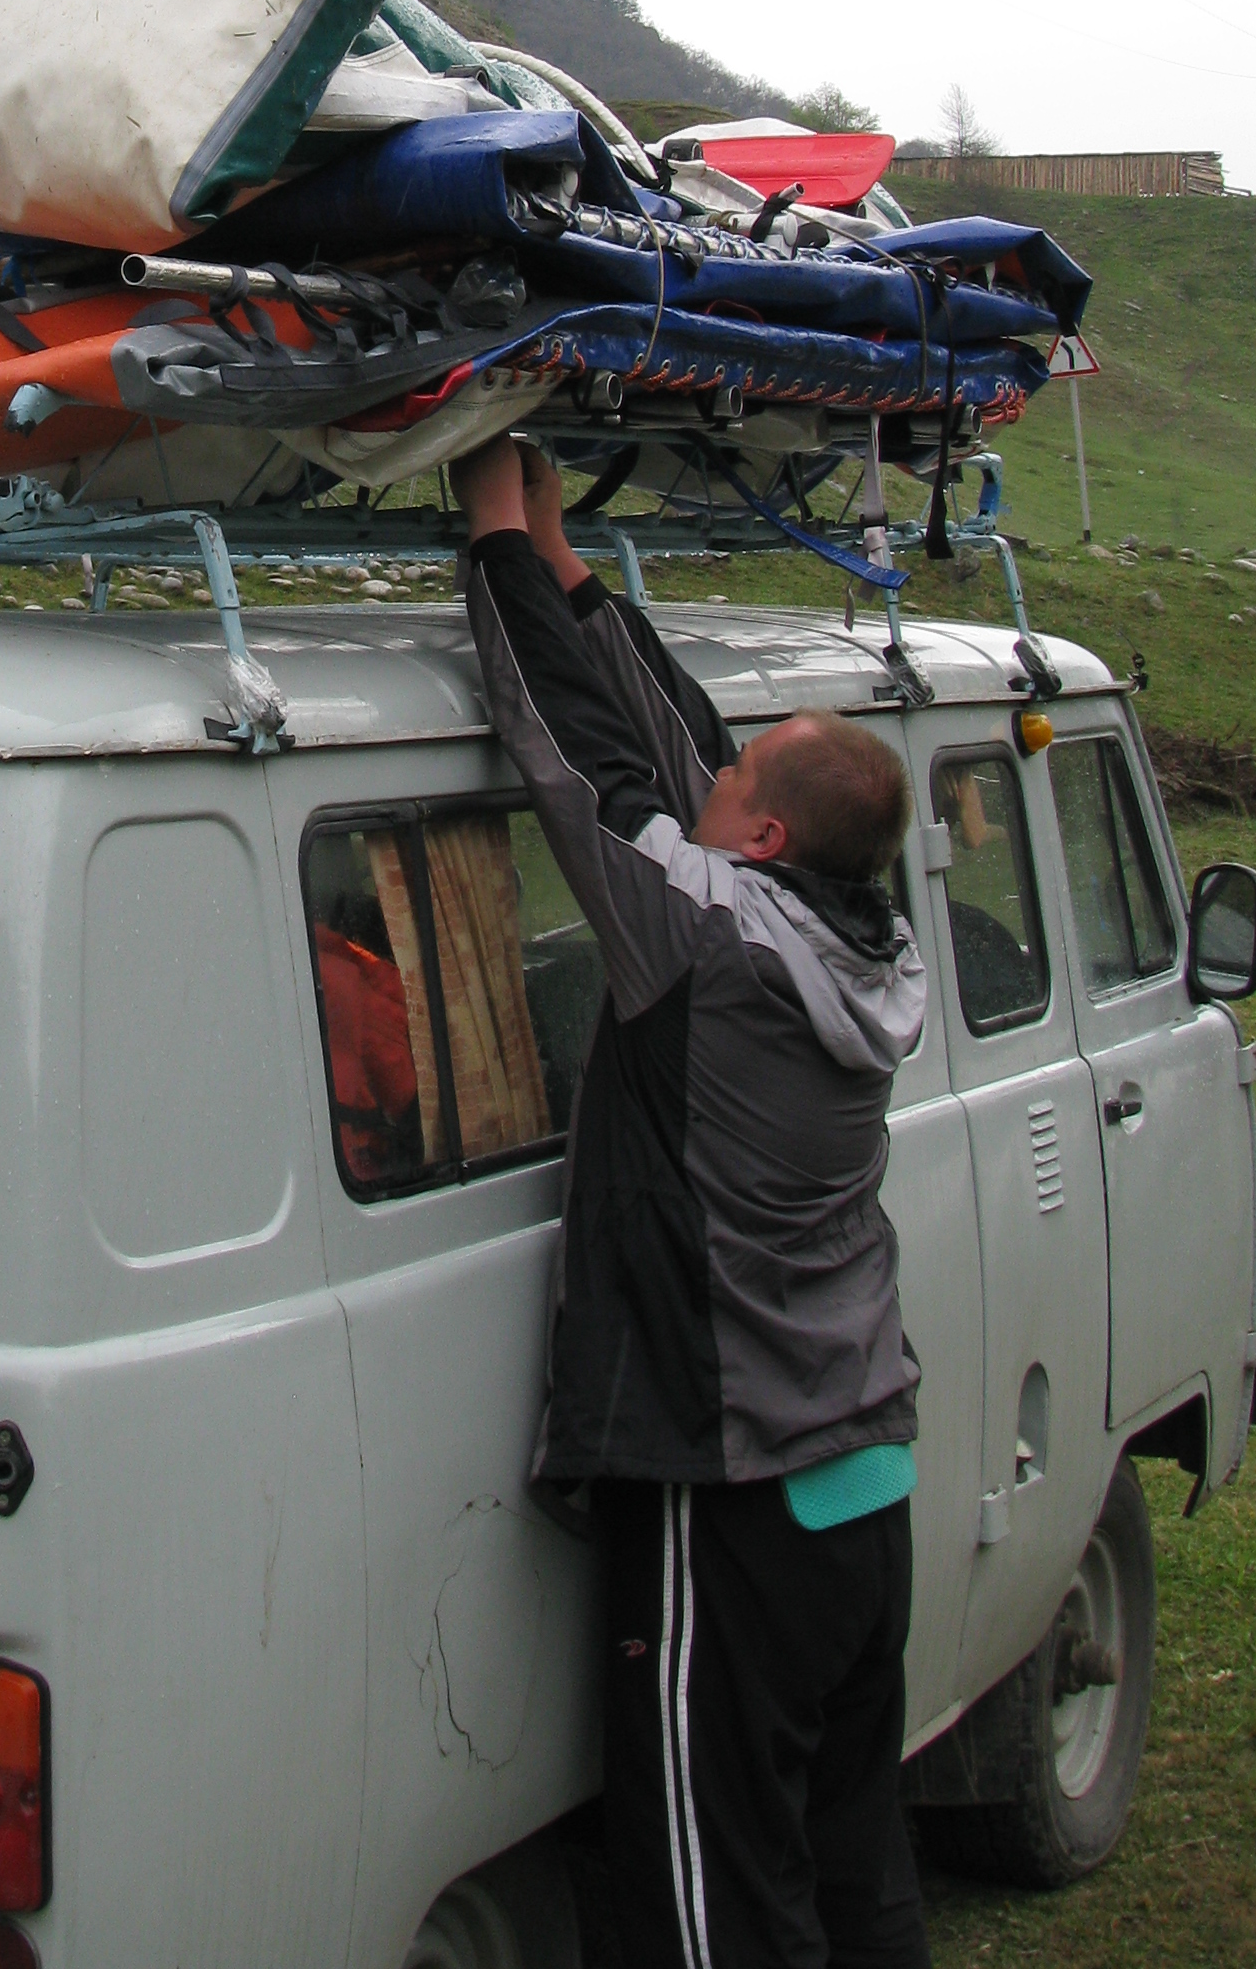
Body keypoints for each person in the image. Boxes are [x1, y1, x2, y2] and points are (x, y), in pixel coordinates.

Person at [450, 432, 932, 1969]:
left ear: (763, 839)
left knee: (711, 1881)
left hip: (736, 1487)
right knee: (849, 1851)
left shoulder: (710, 942)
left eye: (734, 790)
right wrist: (567, 563)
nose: (709, 782)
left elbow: (579, 769)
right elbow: (683, 755)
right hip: (861, 1474)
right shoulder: (855, 933)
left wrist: (489, 542)